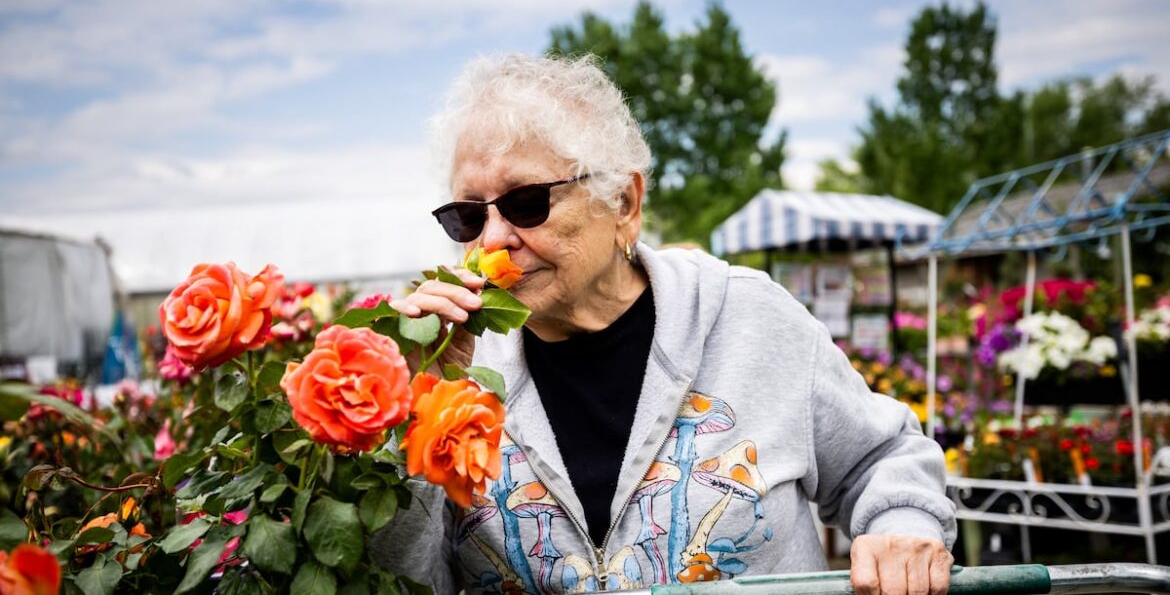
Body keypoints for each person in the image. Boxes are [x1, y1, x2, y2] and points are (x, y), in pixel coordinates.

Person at [372, 53, 955, 595]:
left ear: (623, 203)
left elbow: (881, 456)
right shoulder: (457, 367)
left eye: (527, 203)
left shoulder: (748, 316)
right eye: (468, 215)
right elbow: (406, 579)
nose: (494, 239)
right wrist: (409, 421)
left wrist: (901, 522)